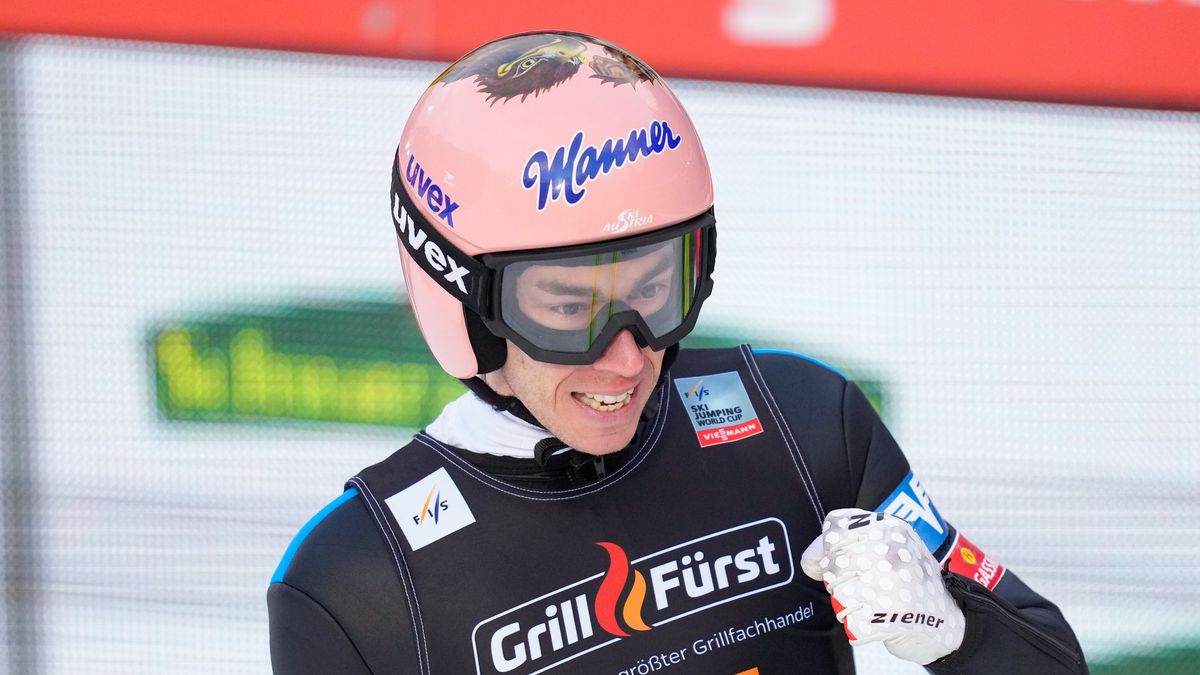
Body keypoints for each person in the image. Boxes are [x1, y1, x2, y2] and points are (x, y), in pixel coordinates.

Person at [267, 31, 1088, 675]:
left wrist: (954, 631)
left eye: (657, 290)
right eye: (567, 309)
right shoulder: (358, 581)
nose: (626, 357)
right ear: (462, 299)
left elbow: (1051, 664)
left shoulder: (802, 425)